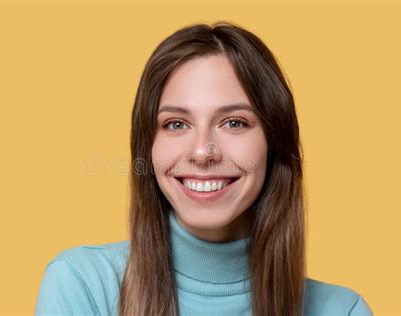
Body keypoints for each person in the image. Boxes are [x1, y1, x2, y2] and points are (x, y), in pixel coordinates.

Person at [35, 21, 373, 315]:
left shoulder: (342, 310)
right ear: (148, 148)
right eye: (176, 124)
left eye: (234, 122)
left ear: (274, 142)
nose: (202, 151)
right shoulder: (83, 285)